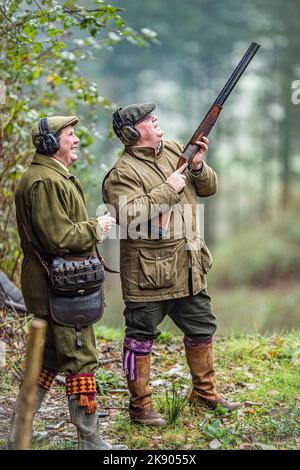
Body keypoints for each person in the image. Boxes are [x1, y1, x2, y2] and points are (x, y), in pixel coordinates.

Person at [102, 103, 241, 427]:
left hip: (188, 266)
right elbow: (127, 215)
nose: (155, 120)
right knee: (140, 337)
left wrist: (196, 167)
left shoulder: (177, 150)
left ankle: (204, 394)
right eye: (147, 119)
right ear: (131, 133)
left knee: (202, 328)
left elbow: (209, 188)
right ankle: (140, 406)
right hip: (148, 273)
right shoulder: (122, 173)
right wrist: (168, 189)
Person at [8, 116, 127, 450]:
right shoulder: (45, 181)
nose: (76, 140)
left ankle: (19, 432)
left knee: (46, 360)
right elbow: (58, 237)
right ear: (50, 143)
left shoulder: (50, 176)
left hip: (56, 287)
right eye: (70, 135)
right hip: (57, 290)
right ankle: (91, 442)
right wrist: (97, 227)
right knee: (82, 360)